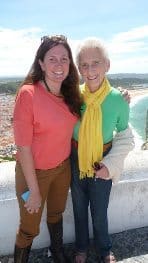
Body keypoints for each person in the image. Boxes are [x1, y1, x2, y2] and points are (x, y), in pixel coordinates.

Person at [13, 35, 82, 263]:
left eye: (64, 58)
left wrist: (121, 95)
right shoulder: (28, 94)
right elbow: (23, 148)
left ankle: (57, 252)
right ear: (41, 63)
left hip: (62, 168)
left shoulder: (70, 93)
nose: (59, 64)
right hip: (34, 173)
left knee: (56, 213)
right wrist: (33, 191)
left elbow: (95, 97)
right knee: (29, 227)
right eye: (52, 59)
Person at [70, 38, 134, 263]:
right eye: (84, 65)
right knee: (78, 209)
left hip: (103, 159)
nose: (90, 70)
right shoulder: (73, 95)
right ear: (79, 69)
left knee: (99, 212)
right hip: (76, 159)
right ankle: (81, 248)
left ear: (107, 65)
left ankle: (104, 249)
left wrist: (111, 165)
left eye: (95, 63)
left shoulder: (118, 99)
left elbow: (126, 136)